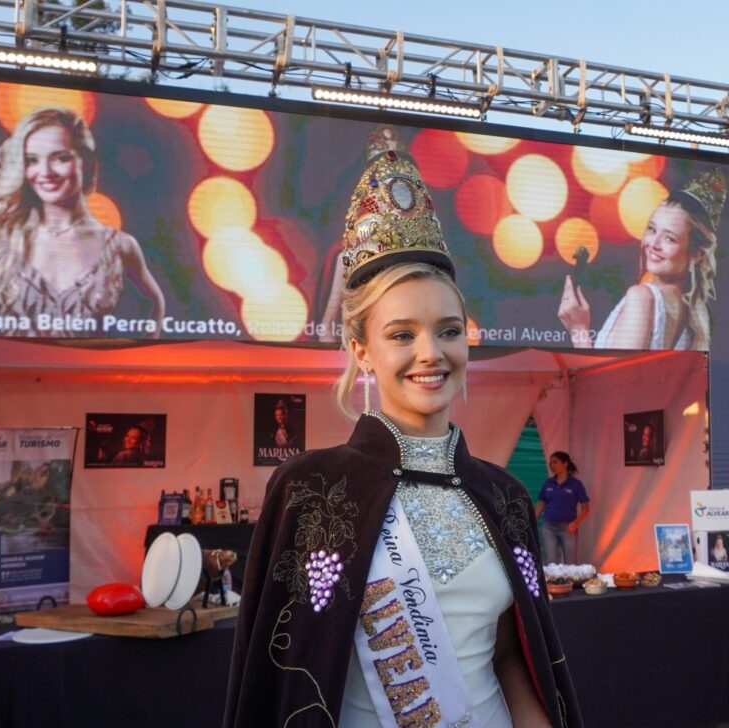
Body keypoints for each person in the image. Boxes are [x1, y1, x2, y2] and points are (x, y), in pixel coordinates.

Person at [225, 128, 582, 728]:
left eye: (447, 330)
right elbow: (274, 679)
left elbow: (511, 660)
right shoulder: (312, 491)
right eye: (401, 334)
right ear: (361, 349)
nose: (430, 353)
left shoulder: (505, 497)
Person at [0, 107, 165, 337]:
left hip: (86, 371)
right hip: (12, 371)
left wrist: (137, 360)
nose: (45, 172)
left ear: (85, 161)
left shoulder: (120, 246)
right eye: (32, 160)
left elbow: (153, 302)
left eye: (61, 158)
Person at [559, 168, 726, 351]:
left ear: (697, 254)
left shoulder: (641, 298)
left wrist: (579, 330)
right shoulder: (688, 318)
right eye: (652, 229)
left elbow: (616, 380)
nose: (653, 243)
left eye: (669, 238)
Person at [534, 452, 590, 565]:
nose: (552, 465)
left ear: (565, 464)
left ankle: (570, 583)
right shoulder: (548, 483)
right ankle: (552, 583)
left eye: (555, 462)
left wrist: (576, 523)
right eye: (550, 463)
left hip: (568, 528)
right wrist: (532, 520)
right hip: (549, 527)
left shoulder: (576, 484)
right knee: (550, 562)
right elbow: (540, 504)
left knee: (570, 563)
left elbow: (585, 508)